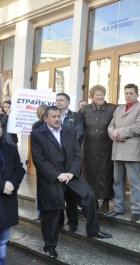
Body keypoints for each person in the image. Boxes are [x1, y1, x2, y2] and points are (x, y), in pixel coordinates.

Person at [31, 106, 112, 259]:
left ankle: (93, 231)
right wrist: (57, 175)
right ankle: (50, 246)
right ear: (45, 119)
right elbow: (39, 160)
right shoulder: (37, 134)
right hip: (52, 178)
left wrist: (71, 173)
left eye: (58, 116)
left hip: (70, 175)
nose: (57, 119)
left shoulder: (69, 131)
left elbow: (76, 155)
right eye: (53, 116)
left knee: (89, 196)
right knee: (52, 211)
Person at [107, 84, 140, 222]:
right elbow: (111, 126)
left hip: (132, 149)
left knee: (134, 182)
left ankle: (136, 210)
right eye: (126, 93)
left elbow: (139, 127)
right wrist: (113, 133)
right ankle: (118, 208)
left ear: (137, 94)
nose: (128, 95)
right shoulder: (118, 109)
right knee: (117, 181)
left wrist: (120, 132)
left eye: (131, 93)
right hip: (117, 148)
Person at [0, 114, 25, 265]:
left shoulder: (10, 148)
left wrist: (12, 183)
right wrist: (1, 186)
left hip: (7, 201)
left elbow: (19, 168)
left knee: (1, 242)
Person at [79, 85, 116, 213]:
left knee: (107, 173)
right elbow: (79, 127)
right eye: (97, 95)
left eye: (102, 94)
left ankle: (106, 200)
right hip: (90, 148)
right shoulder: (85, 109)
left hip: (108, 147)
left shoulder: (112, 108)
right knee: (90, 174)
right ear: (92, 97)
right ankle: (93, 200)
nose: (100, 97)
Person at [56, 93, 84, 232]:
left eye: (61, 100)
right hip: (56, 162)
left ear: (68, 102)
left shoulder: (75, 117)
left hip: (71, 160)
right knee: (57, 194)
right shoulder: (52, 115)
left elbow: (78, 134)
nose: (58, 102)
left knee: (71, 194)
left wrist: (64, 145)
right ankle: (59, 222)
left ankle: (73, 223)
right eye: (57, 100)